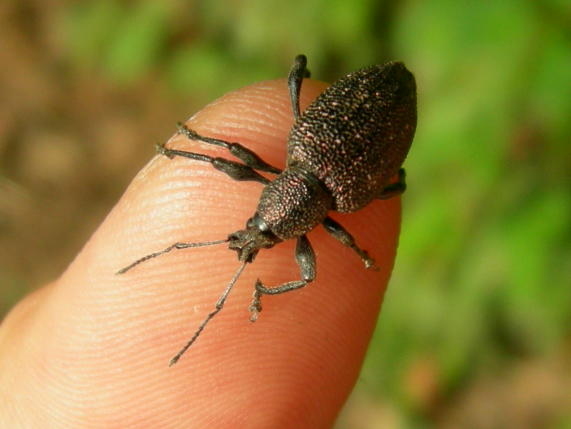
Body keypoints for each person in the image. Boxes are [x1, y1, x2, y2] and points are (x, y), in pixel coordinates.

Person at [0, 78, 402, 428]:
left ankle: (186, 147)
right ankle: (186, 147)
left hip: (361, 110)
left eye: (261, 231)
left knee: (311, 271)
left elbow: (227, 151)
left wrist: (356, 252)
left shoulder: (334, 194)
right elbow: (227, 150)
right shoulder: (331, 186)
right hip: (353, 126)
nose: (254, 238)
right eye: (263, 231)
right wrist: (194, 144)